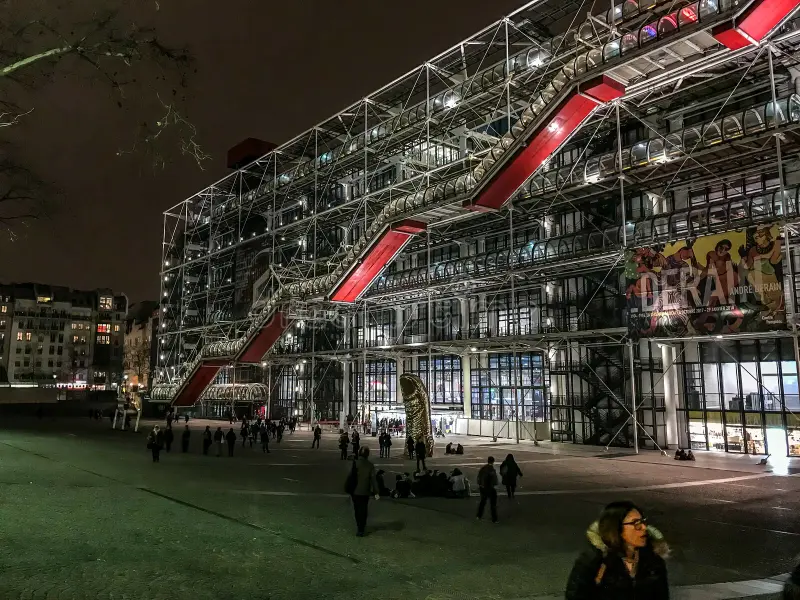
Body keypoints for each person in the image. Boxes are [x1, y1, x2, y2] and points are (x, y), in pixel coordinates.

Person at [565, 501, 669, 600]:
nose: (643, 527)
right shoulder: (594, 560)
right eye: (635, 523)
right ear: (616, 528)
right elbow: (575, 596)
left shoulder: (653, 561)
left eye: (643, 521)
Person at [347, 446, 379, 537]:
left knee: (357, 509)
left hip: (355, 491)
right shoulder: (370, 465)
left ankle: (359, 527)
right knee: (364, 509)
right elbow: (373, 480)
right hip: (365, 491)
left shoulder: (355, 463)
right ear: (367, 455)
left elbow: (351, 476)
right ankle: (362, 527)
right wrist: (376, 492)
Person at [476, 456, 498, 523]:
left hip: (483, 488)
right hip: (490, 488)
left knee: (482, 502)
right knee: (493, 504)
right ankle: (494, 519)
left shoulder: (483, 468)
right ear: (493, 461)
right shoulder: (491, 469)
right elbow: (495, 480)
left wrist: (480, 485)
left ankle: (479, 516)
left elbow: (479, 477)